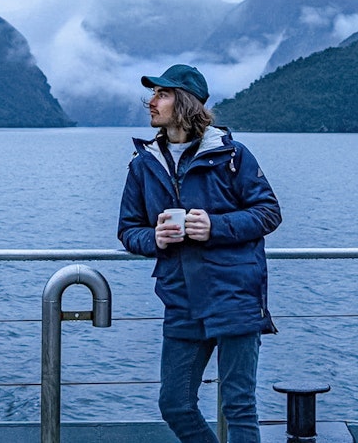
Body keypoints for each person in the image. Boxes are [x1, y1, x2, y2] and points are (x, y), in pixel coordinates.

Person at [117, 63, 282, 443]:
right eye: (153, 95)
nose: (152, 103)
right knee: (175, 404)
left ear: (186, 102)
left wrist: (215, 227)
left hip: (235, 295)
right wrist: (154, 238)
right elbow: (128, 230)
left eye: (162, 94)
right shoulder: (143, 165)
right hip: (181, 297)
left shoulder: (232, 155)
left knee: (238, 406)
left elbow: (268, 212)